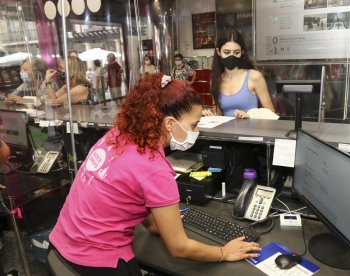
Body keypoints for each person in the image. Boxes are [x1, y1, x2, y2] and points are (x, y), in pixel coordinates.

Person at [48, 73, 261, 275]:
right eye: (194, 125)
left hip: (60, 246)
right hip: (97, 264)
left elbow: (125, 191)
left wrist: (154, 224)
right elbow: (179, 248)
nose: (196, 132)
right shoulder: (155, 169)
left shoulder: (116, 136)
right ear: (169, 123)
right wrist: (223, 252)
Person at [203, 29, 274, 119]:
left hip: (250, 132)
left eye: (236, 52)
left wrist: (250, 116)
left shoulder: (254, 77)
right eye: (226, 52)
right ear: (218, 52)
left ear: (242, 52)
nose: (231, 56)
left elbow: (271, 112)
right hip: (225, 132)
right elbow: (219, 113)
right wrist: (211, 116)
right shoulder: (215, 80)